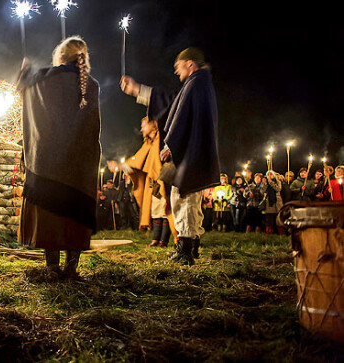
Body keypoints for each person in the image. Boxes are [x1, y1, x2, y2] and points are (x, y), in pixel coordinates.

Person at [121, 47, 220, 265]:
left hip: (188, 154)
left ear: (190, 64)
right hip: (193, 152)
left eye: (178, 66)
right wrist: (140, 91)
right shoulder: (200, 84)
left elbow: (180, 114)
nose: (176, 72)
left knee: (182, 197)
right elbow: (174, 104)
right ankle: (190, 246)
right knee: (189, 200)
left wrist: (171, 145)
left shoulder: (195, 84)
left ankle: (185, 250)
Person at [17, 36, 100, 279]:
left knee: (50, 216)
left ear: (60, 57)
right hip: (79, 168)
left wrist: (24, 72)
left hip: (47, 165)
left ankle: (52, 267)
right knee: (75, 216)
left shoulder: (43, 78)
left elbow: (24, 87)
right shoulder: (91, 84)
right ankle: (71, 268)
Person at [126, 117, 176, 246]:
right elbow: (139, 160)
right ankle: (155, 239)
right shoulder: (149, 143)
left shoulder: (162, 140)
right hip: (153, 183)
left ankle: (164, 240)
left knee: (166, 211)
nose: (142, 129)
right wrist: (126, 166)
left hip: (165, 180)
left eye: (144, 125)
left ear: (153, 125)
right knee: (156, 211)